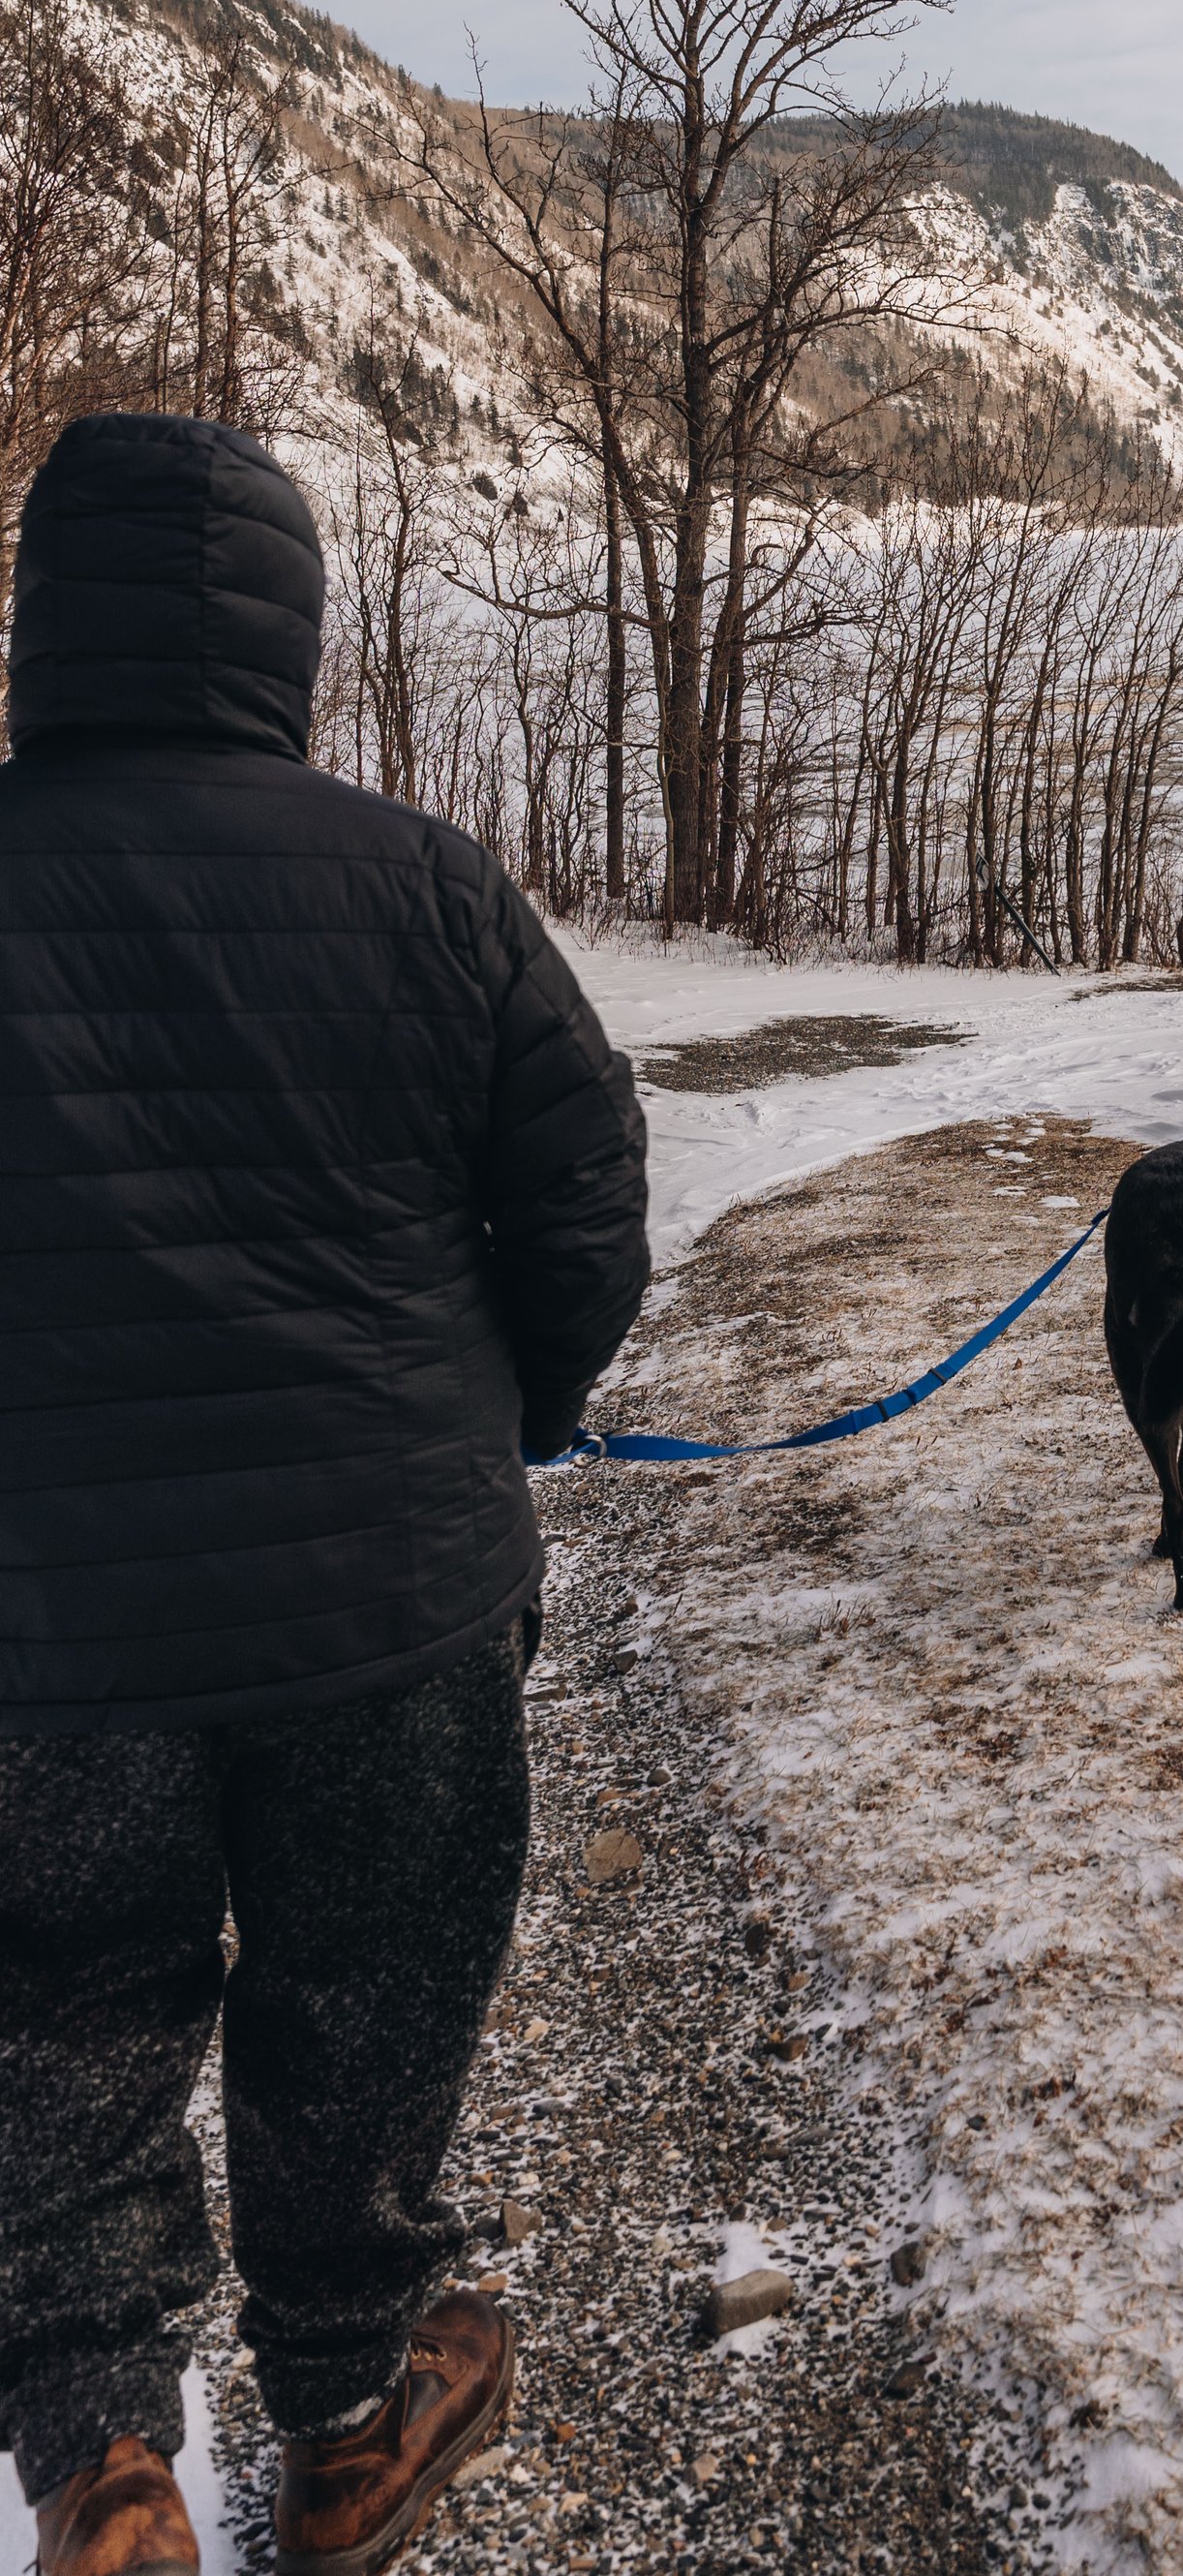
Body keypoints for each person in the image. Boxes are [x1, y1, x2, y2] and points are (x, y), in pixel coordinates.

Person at [0, 414, 650, 2576]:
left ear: (42, 618)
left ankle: (104, 2459)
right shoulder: (430, 886)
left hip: (42, 1634)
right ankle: (357, 2410)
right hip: (389, 1600)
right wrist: (509, 1421)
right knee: (366, 1996)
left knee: (58, 2016)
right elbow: (580, 1202)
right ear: (289, 632)